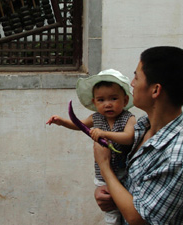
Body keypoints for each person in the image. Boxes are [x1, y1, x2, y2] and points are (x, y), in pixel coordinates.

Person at [93, 46, 183, 225]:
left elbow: (138, 218)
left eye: (137, 77)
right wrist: (109, 193)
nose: (132, 83)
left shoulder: (178, 158)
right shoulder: (141, 128)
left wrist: (104, 167)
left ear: (155, 90)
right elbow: (135, 191)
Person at [47, 69, 136, 225]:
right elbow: (79, 125)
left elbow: (128, 138)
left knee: (125, 205)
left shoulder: (128, 118)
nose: (107, 104)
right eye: (101, 100)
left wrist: (105, 134)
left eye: (114, 98)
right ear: (94, 102)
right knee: (110, 209)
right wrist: (62, 122)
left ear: (125, 99)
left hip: (124, 173)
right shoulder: (96, 118)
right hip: (102, 175)